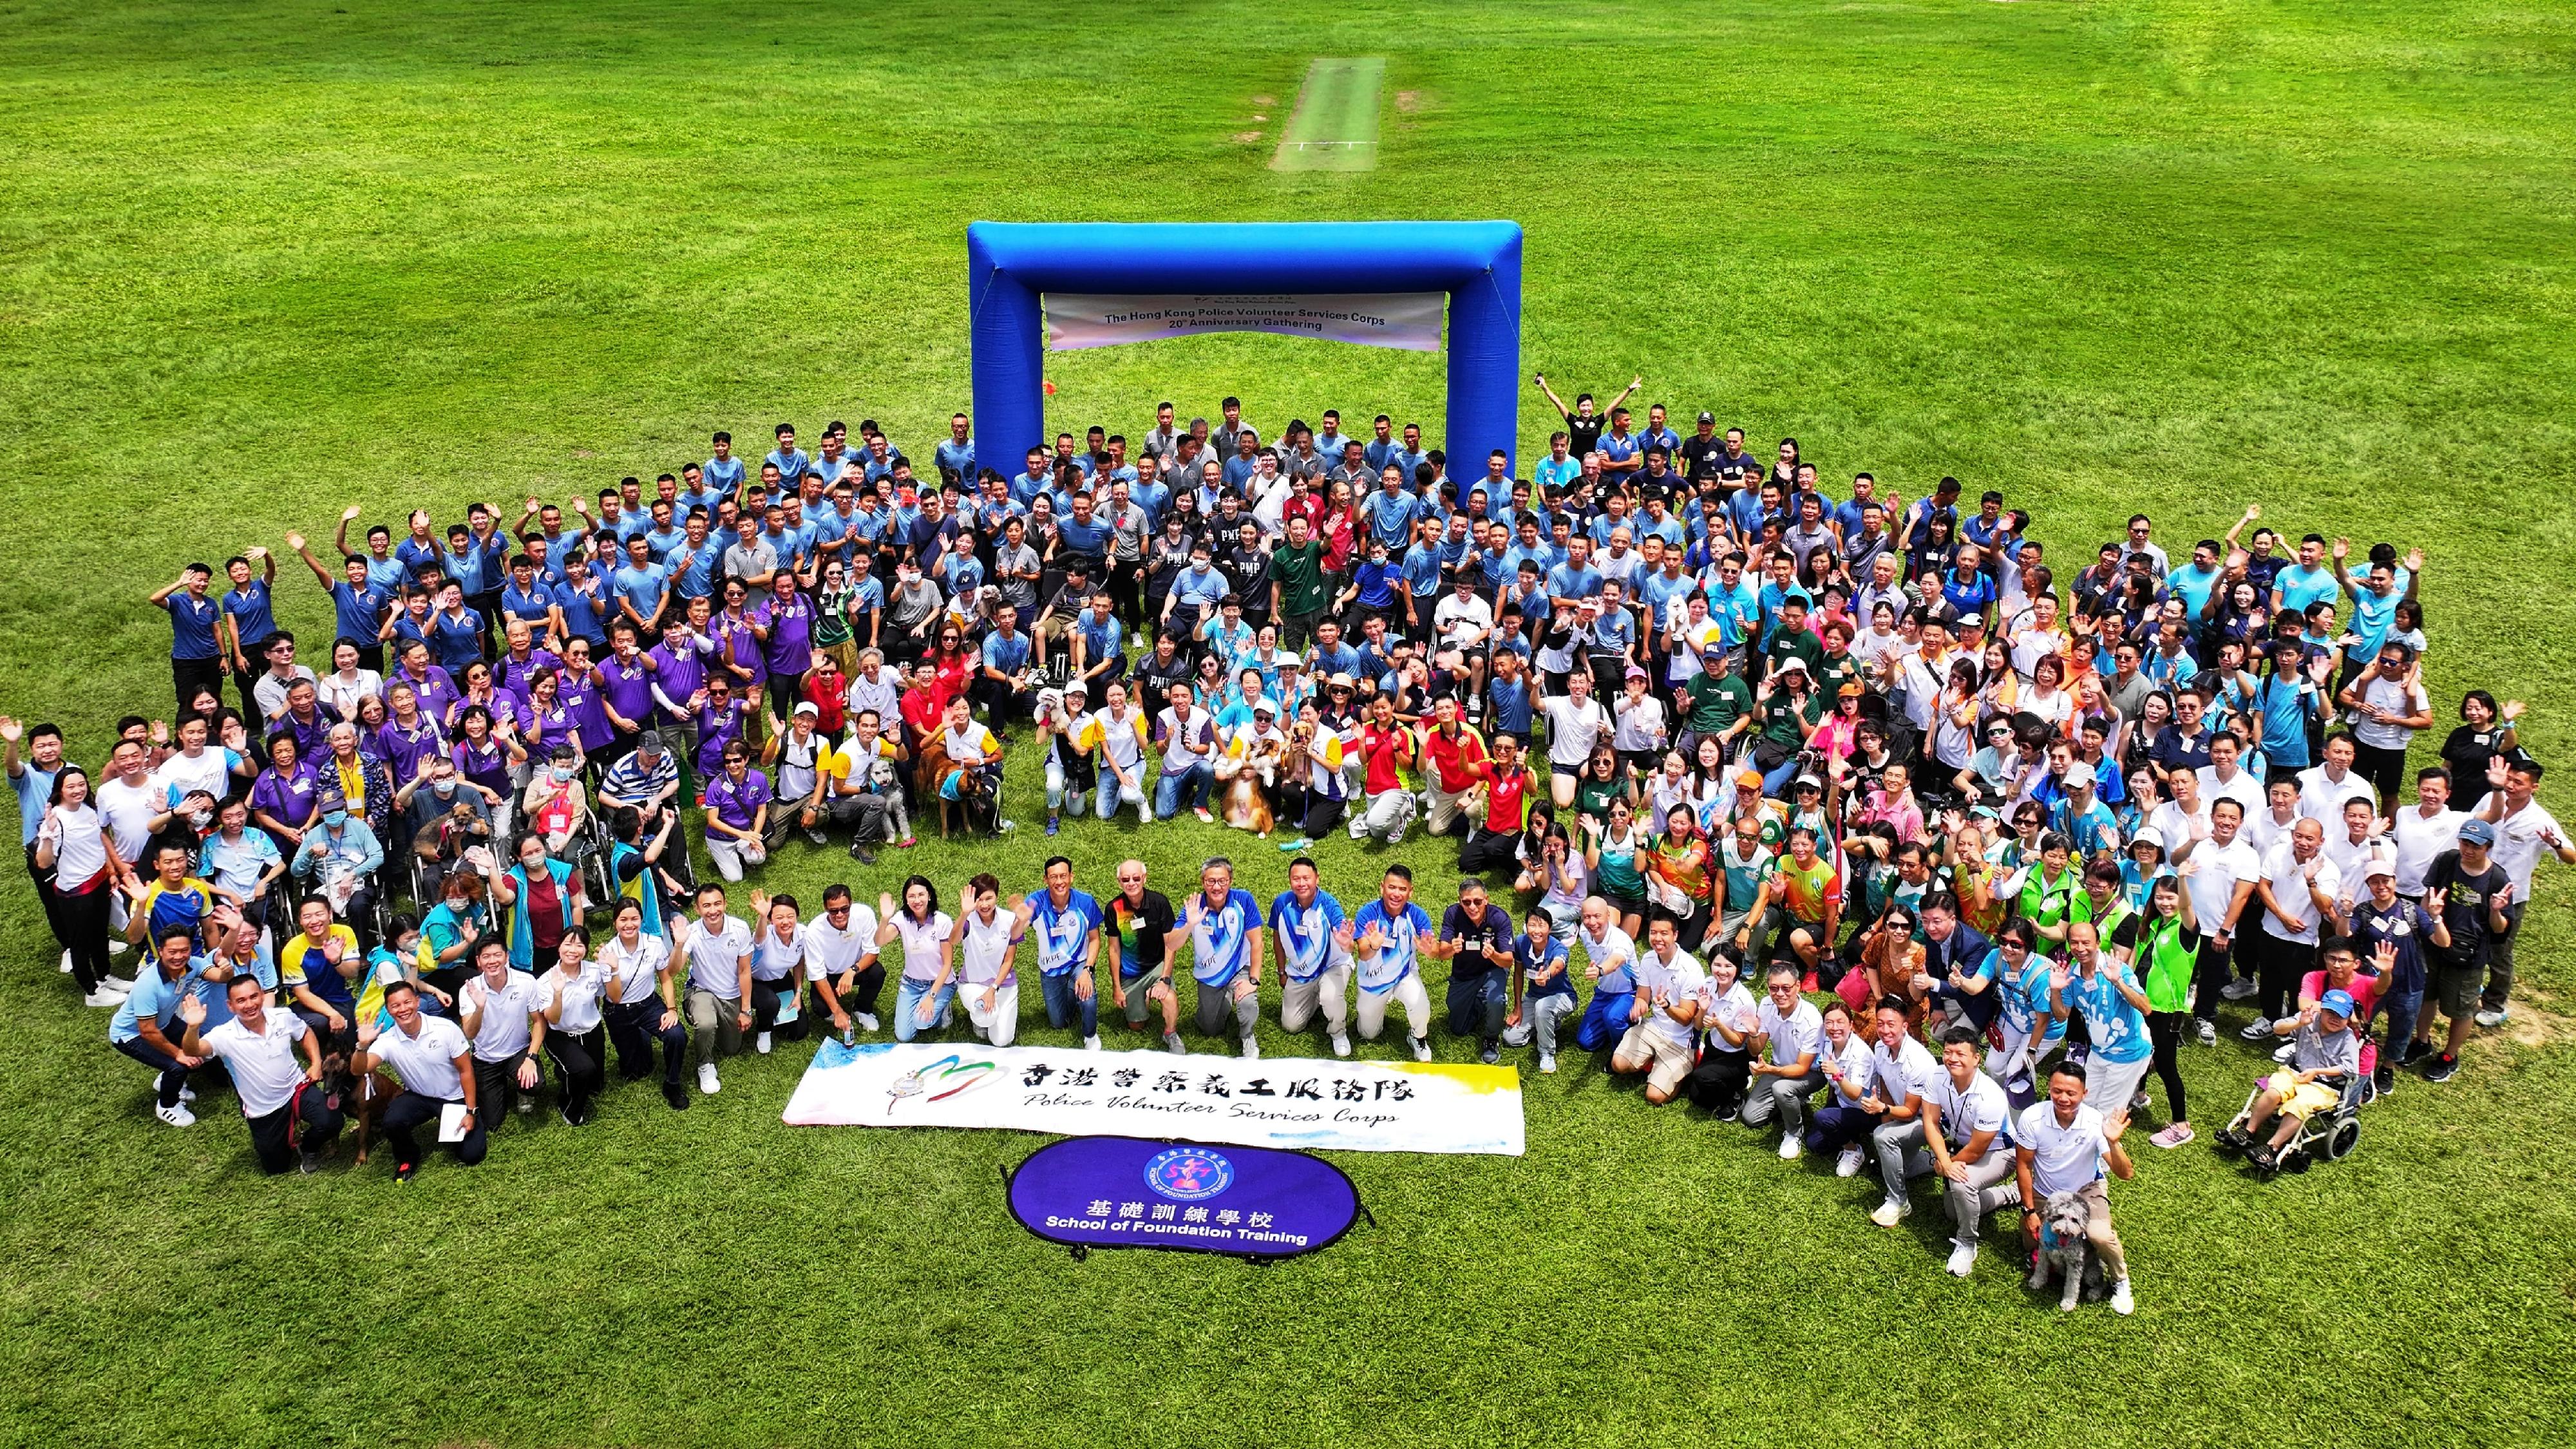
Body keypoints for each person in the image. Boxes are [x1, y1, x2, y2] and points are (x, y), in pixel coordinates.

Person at [178, 972, 342, 1174]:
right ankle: (286, 1144)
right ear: (230, 1006)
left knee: (332, 1121)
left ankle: (309, 1147)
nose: (249, 1005)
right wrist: (193, 1028)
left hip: (298, 1089)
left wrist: (316, 1063)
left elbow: (305, 1033)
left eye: (253, 997)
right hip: (264, 1109)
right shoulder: (224, 1035)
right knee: (276, 1167)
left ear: (262, 996)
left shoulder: (282, 1016)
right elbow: (193, 1050)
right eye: (241, 1001)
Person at [2012, 1061, 2137, 1314]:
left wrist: (2113, 1143)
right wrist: (2029, 1211)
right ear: (2049, 1089)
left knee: (2099, 1236)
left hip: (2086, 1190)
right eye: (2058, 1091)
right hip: (2046, 1193)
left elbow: (2126, 1173)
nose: (2064, 1099)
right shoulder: (2032, 1117)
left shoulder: (2095, 1122)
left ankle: (2120, 1280)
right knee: (2031, 1242)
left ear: (2084, 1094)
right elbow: (2024, 1165)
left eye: (2072, 1093)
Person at [2471, 756, 2573, 1027]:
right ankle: (2472, 987)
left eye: (2519, 782)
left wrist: (2557, 845)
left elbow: (2571, 856)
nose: (2512, 786)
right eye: (2510, 779)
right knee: (2470, 937)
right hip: (2476, 883)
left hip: (2509, 896)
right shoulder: (2491, 799)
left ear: (2534, 788)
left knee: (2500, 951)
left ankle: (2495, 1004)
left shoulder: (2540, 821)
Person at [1910, 1027, 2018, 1277]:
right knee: (1952, 1211)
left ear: (1976, 1059)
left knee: (1961, 1185)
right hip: (1960, 1148)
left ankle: (1968, 1244)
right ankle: (2009, 1194)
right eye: (1948, 1052)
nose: (1952, 1059)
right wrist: (1943, 1160)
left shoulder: (1990, 1095)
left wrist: (1947, 1166)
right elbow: (1930, 1121)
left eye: (1961, 1053)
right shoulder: (1937, 1076)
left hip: (2000, 1152)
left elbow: (1978, 1149)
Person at [354, 980, 487, 1180]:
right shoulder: (388, 1040)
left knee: (472, 1155)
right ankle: (408, 1155)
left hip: (454, 1097)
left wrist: (470, 1111)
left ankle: (466, 1122)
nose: (403, 1009)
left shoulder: (445, 1028)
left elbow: (466, 1071)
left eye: (407, 1002)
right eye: (395, 1005)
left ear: (417, 1002)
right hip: (419, 1096)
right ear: (388, 1010)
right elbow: (359, 1069)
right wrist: (362, 1046)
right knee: (392, 1121)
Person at [2413, 818, 2513, 1083]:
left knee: (2461, 1008)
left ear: (2488, 848)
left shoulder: (2498, 879)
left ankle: (2449, 1056)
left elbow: (2501, 929)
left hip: (2469, 954)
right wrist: (2425, 922)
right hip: (2435, 942)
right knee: (2426, 995)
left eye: (2476, 846)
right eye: (2465, 843)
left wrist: (2495, 910)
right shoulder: (2447, 861)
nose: (2468, 850)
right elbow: (2428, 896)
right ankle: (2422, 1041)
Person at [2224, 988, 2362, 1173]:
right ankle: (2248, 1131)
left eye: (2341, 1016)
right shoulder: (2309, 1020)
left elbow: (2350, 1069)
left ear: (2348, 1019)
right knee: (2273, 1091)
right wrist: (2298, 1023)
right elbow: (2277, 1028)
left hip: (2324, 1085)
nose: (2335, 1019)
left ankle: (2272, 1147)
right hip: (2295, 1073)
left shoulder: (2347, 1039)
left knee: (2300, 1105)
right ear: (2322, 1010)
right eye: (2331, 1013)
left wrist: (2317, 1072)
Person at [111, 923, 228, 1128]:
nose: (179, 957)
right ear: (161, 951)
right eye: (172, 952)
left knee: (199, 1047)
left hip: (163, 1023)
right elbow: (147, 1031)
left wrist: (226, 969)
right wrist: (178, 1054)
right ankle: (167, 1106)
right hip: (131, 1034)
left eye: (184, 950)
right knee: (180, 1064)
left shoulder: (192, 965)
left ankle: (169, 1079)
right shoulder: (148, 984)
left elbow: (219, 977)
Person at [597, 897, 692, 1110]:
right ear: (615, 923)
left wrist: (672, 1009)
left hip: (649, 1006)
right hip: (619, 1011)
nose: (629, 925)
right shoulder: (607, 953)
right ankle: (641, 1036)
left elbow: (666, 978)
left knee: (677, 1036)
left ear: (641, 920)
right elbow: (615, 996)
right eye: (623, 919)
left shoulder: (654, 944)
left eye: (634, 919)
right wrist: (612, 969)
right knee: (636, 1071)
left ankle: (673, 1084)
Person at [1169, 858, 1264, 1057]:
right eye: (1211, 881)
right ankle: (1225, 998)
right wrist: (1189, 924)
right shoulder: (1194, 907)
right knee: (1209, 1029)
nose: (1217, 886)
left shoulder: (1243, 900)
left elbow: (1257, 942)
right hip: (1208, 975)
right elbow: (1172, 944)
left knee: (1247, 1003)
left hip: (1239, 971)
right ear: (1203, 882)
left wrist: (1253, 980)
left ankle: (1247, 1036)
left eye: (1222, 881)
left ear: (1230, 881)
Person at [1609, 915, 1706, 1104]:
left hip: (1680, 1040)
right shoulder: (1648, 959)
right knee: (1618, 1064)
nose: (1657, 938)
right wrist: (1640, 1005)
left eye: (1664, 933)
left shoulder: (1691, 970)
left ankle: (1683, 1069)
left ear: (1675, 935)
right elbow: (1643, 996)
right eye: (1653, 933)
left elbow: (1687, 1018)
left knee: (1655, 1097)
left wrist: (1667, 1006)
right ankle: (1656, 1064)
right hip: (1653, 1027)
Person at [1863, 998, 1942, 1227]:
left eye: (1891, 1024)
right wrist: (1886, 1119)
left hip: (1931, 1122)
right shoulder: (1880, 1048)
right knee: (1897, 1162)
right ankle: (1933, 1158)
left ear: (1905, 1027)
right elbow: (1886, 1087)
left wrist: (1884, 1114)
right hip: (1905, 1114)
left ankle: (1898, 1201)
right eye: (1880, 1024)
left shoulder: (1918, 1061)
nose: (1885, 1030)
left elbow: (1910, 1112)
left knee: (1882, 1137)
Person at [674, 882, 753, 1094]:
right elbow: (674, 970)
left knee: (731, 1049)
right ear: (697, 909)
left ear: (725, 904)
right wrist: (679, 944)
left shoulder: (740, 928)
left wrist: (746, 1010)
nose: (713, 910)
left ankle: (718, 1027)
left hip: (731, 994)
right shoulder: (692, 932)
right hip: (701, 989)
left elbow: (745, 971)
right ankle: (704, 1064)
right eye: (706, 906)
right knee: (706, 1024)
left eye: (717, 904)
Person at [1350, 864, 1435, 1061]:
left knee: (1421, 1007)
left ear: (1410, 892)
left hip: (1404, 976)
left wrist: (1429, 950)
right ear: (1382, 887)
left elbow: (1433, 948)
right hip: (1374, 981)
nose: (1396, 894)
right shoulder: (1368, 913)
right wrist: (1372, 945)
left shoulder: (1417, 915)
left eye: (1402, 889)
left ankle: (1418, 1037)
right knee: (1368, 1034)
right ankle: (1380, 1002)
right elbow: (1363, 954)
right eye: (1392, 887)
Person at [1741, 963, 1826, 1157]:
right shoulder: (1766, 1005)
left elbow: (1802, 1068)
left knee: (1782, 1089)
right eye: (1774, 988)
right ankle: (1794, 1100)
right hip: (1779, 1068)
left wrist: (1769, 1070)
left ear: (1797, 986)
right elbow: (1758, 1048)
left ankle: (1794, 1132)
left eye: (1786, 988)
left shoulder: (1811, 1019)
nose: (1780, 994)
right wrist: (1753, 1034)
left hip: (1811, 1073)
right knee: (1751, 1118)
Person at [459, 938, 547, 1119]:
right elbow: (469, 1033)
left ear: (507, 957)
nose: (492, 961)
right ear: (478, 961)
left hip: (519, 1051)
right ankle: (500, 1085)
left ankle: (523, 1090)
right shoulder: (469, 989)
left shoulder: (526, 982)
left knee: (535, 1085)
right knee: (492, 1121)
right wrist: (480, 1008)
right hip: (486, 1059)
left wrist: (531, 1058)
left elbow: (539, 1022)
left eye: (497, 955)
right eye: (486, 957)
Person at [1104, 859, 1183, 1053]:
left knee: (1170, 998)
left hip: (1156, 966)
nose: (1131, 883)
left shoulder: (1160, 903)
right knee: (1136, 1026)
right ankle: (1143, 995)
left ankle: (1170, 1034)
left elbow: (1170, 945)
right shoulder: (1113, 908)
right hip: (1130, 974)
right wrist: (1116, 987)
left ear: (1144, 878)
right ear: (1119, 882)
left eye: (1136, 878)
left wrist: (1165, 979)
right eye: (1126, 879)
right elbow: (1114, 949)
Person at [1437, 878, 1515, 1063]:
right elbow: (1442, 954)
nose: (1472, 907)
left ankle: (1491, 1039)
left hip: (1493, 969)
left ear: (1486, 899)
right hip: (1464, 974)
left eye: (1478, 902)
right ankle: (1480, 1000)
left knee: (1495, 1000)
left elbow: (1508, 961)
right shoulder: (1452, 914)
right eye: (1466, 902)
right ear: (1460, 901)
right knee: (1458, 1028)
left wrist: (1494, 954)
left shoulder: (1499, 918)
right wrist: (1451, 949)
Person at [535, 928, 608, 1125]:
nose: (573, 950)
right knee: (584, 1070)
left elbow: (598, 998)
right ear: (559, 947)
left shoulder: (594, 972)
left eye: (580, 945)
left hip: (592, 1032)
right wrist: (558, 993)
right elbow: (553, 1019)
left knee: (595, 1085)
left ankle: (565, 1070)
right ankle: (568, 1108)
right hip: (561, 1035)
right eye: (568, 944)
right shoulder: (545, 981)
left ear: (586, 949)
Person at [878, 875, 956, 1045]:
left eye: (921, 895)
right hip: (911, 984)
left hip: (940, 983)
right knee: (904, 1036)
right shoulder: (901, 918)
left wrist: (931, 996)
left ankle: (942, 1010)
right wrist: (885, 918)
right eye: (911, 896)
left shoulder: (942, 922)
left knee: (921, 1022)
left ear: (929, 895)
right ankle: (925, 1009)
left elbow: (948, 964)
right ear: (906, 899)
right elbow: (880, 941)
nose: (917, 900)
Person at [803, 884, 884, 1041]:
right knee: (821, 1009)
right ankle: (837, 1012)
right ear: (825, 908)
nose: (840, 914)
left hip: (856, 968)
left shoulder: (864, 914)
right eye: (834, 911)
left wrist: (852, 971)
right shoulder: (814, 932)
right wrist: (838, 1011)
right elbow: (818, 976)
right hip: (829, 974)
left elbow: (873, 952)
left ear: (851, 904)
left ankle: (862, 1009)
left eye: (844, 909)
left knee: (877, 973)